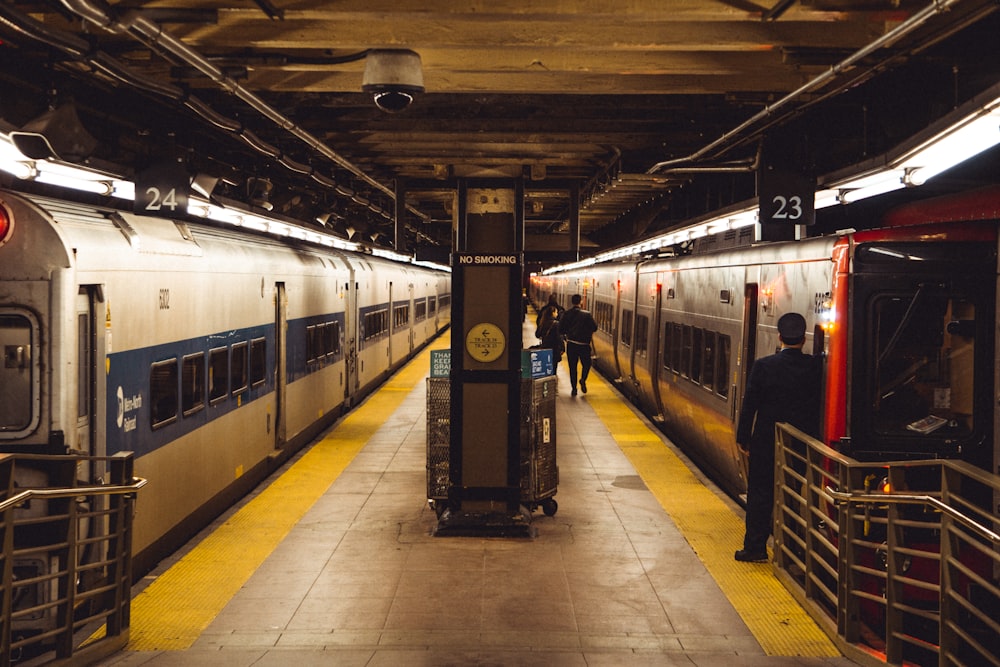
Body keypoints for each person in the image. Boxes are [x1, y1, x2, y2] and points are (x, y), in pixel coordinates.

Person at [734, 312, 821, 563]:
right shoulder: (815, 367)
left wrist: (743, 437)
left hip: (766, 441)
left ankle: (755, 548)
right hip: (800, 444)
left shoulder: (764, 366)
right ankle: (792, 550)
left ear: (779, 337)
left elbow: (750, 404)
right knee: (793, 494)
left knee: (760, 494)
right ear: (803, 339)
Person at [558, 294, 598, 396]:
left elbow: (561, 329)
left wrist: (567, 335)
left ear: (572, 302)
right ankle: (583, 379)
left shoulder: (567, 314)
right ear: (581, 302)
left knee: (572, 367)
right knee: (587, 364)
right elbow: (594, 328)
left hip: (571, 344)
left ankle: (574, 388)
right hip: (584, 345)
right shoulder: (587, 315)